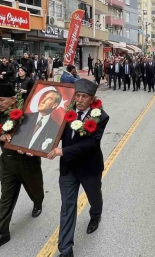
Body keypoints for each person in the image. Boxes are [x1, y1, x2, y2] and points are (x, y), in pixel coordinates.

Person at [47, 79, 110, 257]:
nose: (80, 100)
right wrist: (36, 148)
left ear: (92, 99)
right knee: (67, 207)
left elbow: (91, 143)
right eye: (78, 96)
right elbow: (52, 132)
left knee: (94, 198)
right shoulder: (64, 112)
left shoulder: (101, 116)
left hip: (90, 168)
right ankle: (66, 250)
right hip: (68, 168)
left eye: (85, 97)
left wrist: (63, 151)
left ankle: (95, 214)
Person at [0, 85, 44, 254]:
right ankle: (3, 233)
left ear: (12, 99)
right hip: (8, 162)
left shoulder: (26, 113)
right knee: (6, 198)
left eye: (2, 100)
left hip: (27, 162)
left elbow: (38, 133)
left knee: (35, 189)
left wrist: (28, 147)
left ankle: (38, 202)